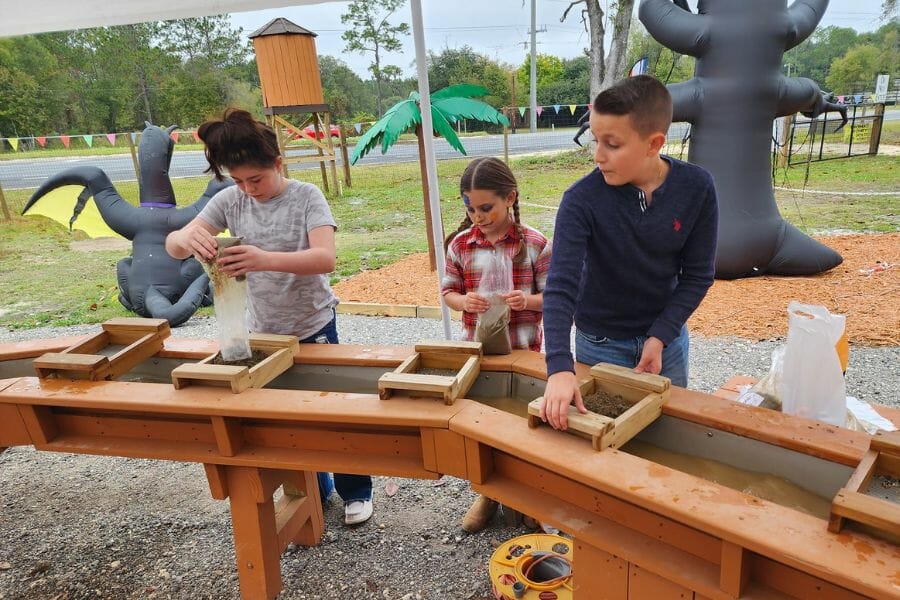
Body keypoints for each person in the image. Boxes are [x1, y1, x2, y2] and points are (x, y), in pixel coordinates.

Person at [164, 108, 374, 526]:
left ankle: (356, 490)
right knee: (286, 419)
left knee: (332, 415)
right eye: (238, 180)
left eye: (255, 179)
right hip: (262, 334)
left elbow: (325, 258)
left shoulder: (306, 196)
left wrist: (264, 259)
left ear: (278, 164)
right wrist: (184, 237)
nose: (248, 189)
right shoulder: (231, 199)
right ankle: (315, 490)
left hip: (313, 326)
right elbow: (173, 245)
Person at [541, 75, 718, 431]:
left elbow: (698, 275)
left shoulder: (697, 187)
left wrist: (661, 335)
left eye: (612, 144)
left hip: (666, 341)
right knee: (604, 443)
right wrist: (560, 366)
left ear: (654, 144)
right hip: (600, 343)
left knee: (668, 434)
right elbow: (561, 285)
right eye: (595, 140)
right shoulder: (581, 200)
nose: (598, 155)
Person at [441, 156, 552, 532]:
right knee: (483, 426)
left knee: (524, 427)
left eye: (486, 207)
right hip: (478, 352)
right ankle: (487, 494)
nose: (477, 216)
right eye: (470, 208)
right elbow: (448, 292)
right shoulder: (460, 245)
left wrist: (528, 300)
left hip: (523, 353)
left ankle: (528, 498)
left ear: (510, 198)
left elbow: (553, 296)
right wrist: (464, 302)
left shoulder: (535, 243)